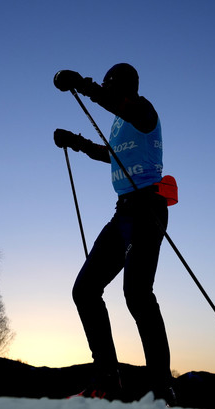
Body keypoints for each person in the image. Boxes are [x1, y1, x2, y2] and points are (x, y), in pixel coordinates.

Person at [52, 63, 179, 406]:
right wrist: (74, 142)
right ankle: (108, 377)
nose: (107, 93)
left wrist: (82, 84)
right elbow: (109, 155)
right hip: (123, 212)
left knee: (137, 294)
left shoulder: (142, 110)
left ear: (122, 87)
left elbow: (115, 103)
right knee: (85, 290)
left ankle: (161, 387)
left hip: (148, 208)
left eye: (110, 88)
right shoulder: (121, 120)